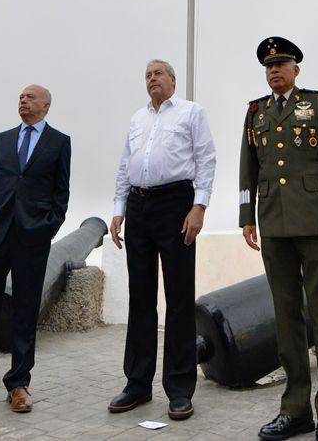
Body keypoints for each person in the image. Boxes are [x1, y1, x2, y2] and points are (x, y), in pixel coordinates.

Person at [240, 38, 318, 441]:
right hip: (273, 225)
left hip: (316, 223)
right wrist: (245, 218)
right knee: (287, 321)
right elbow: (247, 170)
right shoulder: (256, 112)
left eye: (282, 64)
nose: (275, 71)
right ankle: (295, 410)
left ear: (295, 70)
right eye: (269, 66)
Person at [107, 60, 216, 421]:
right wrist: (119, 209)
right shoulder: (138, 119)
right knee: (140, 297)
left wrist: (198, 207)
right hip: (138, 206)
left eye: (158, 73)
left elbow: (206, 160)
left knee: (179, 298)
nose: (152, 78)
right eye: (147, 75)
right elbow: (125, 165)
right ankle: (137, 383)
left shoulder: (191, 112)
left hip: (176, 204)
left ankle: (180, 388)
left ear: (173, 80)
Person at [0, 85, 70, 416]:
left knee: (25, 312)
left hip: (32, 239)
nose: (23, 101)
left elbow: (61, 193)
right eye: (21, 97)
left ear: (46, 106)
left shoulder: (59, 142)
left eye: (31, 97)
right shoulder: (3, 139)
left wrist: (46, 229)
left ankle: (19, 384)